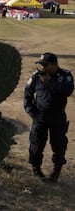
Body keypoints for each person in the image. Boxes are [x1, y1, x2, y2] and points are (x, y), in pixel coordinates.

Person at [24, 52, 74, 182]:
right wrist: (32, 113)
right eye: (41, 64)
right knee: (36, 143)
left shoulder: (65, 75)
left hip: (58, 116)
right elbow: (27, 95)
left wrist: (50, 82)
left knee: (59, 144)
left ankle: (56, 172)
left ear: (54, 65)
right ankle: (36, 170)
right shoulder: (36, 76)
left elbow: (67, 91)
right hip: (40, 116)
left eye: (45, 65)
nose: (43, 67)